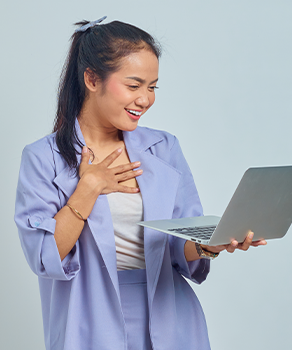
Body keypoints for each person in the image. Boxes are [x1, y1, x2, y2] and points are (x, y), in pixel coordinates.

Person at [14, 16, 266, 350]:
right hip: (87, 320)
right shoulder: (42, 157)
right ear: (92, 79)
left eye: (152, 87)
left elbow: (179, 243)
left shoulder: (163, 148)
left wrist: (210, 244)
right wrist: (88, 189)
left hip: (171, 317)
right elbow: (44, 257)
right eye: (134, 86)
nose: (145, 99)